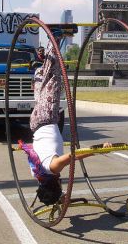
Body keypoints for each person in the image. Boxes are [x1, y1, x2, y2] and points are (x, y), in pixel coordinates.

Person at [22, 42, 108, 206]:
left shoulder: (53, 167)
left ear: (56, 185)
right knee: (42, 90)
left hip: (46, 118)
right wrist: (57, 197)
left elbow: (74, 155)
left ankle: (53, 40)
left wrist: (99, 149)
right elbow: (46, 185)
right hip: (36, 123)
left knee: (54, 78)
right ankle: (39, 67)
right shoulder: (38, 173)